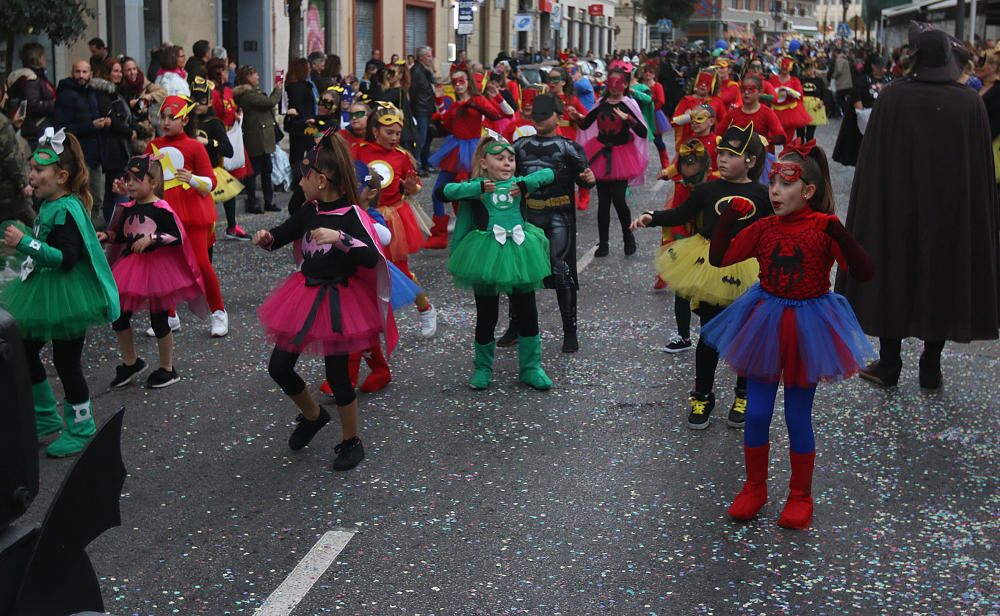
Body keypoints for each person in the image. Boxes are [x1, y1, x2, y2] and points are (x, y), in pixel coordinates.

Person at [702, 139, 874, 529]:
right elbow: (720, 258)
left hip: (808, 325)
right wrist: (728, 217)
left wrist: (841, 234)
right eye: (772, 183)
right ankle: (754, 487)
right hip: (764, 321)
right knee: (757, 413)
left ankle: (801, 496)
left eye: (785, 183)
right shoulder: (764, 228)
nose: (775, 191)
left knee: (798, 417)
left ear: (808, 191)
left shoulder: (824, 229)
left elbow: (864, 272)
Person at [836, 23, 999, 389]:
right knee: (941, 276)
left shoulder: (893, 98)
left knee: (894, 273)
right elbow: (978, 172)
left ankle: (890, 362)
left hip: (896, 209)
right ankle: (931, 363)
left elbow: (873, 164)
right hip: (952, 213)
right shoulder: (970, 103)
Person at [253, 131, 397, 471]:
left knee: (339, 376)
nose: (298, 181)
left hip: (338, 300)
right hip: (304, 295)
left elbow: (369, 256)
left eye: (303, 175)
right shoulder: (309, 210)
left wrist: (340, 238)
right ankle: (313, 415)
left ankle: (351, 440)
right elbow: (283, 235)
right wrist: (266, 237)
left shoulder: (351, 215)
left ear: (321, 178)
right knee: (279, 367)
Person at [629, 123, 773, 429]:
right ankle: (703, 395)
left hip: (747, 267)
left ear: (750, 160)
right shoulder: (708, 189)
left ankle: (744, 393)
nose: (720, 159)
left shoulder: (762, 195)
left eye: (730, 155)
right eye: (719, 153)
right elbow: (682, 214)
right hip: (711, 265)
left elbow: (774, 231)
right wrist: (652, 217)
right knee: (708, 336)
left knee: (746, 336)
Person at [1, 129, 120, 457]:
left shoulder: (66, 208)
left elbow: (65, 258)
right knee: (25, 350)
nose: (32, 175)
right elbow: (48, 241)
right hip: (44, 288)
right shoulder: (50, 203)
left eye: (39, 171)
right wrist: (27, 233)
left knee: (67, 362)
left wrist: (25, 242)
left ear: (61, 175)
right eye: (32, 169)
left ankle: (81, 427)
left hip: (67, 293)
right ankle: (46, 418)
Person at [442, 133, 555, 390]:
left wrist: (526, 185)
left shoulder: (519, 183)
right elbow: (446, 192)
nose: (507, 164)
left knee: (527, 311)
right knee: (487, 314)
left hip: (519, 253)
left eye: (511, 159)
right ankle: (482, 368)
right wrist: (477, 187)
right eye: (500, 159)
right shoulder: (477, 187)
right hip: (485, 254)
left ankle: (531, 367)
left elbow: (549, 175)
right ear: (484, 163)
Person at [99, 155, 208, 389]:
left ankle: (167, 368)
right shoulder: (127, 208)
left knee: (159, 321)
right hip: (130, 268)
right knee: (119, 317)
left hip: (158, 271)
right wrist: (107, 236)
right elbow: (121, 234)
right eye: (128, 179)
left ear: (153, 183)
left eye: (137, 180)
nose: (130, 184)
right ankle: (131, 362)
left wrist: (153, 238)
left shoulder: (162, 209)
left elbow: (177, 235)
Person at [497, 94, 595, 353]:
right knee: (519, 274)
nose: (540, 121)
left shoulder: (570, 148)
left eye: (546, 115)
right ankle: (515, 326)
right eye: (536, 116)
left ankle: (570, 331)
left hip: (558, 216)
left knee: (562, 271)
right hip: (527, 217)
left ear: (558, 116)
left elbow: (584, 181)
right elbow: (503, 172)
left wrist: (589, 178)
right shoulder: (519, 146)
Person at [352, 103, 438, 338]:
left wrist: (413, 187)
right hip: (365, 215)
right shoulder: (359, 150)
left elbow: (414, 186)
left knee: (399, 271)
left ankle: (426, 308)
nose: (394, 137)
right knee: (363, 270)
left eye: (398, 133)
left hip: (393, 218)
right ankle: (371, 321)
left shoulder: (402, 157)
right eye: (389, 132)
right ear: (376, 130)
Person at [147, 95, 229, 337]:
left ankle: (219, 312)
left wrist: (191, 179)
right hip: (164, 213)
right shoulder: (154, 146)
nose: (166, 121)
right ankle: (169, 315)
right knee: (164, 265)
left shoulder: (195, 147)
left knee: (201, 265)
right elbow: (145, 179)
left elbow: (211, 182)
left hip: (193, 213)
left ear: (184, 120)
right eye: (163, 117)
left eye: (171, 117)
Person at [426, 69, 512, 250]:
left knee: (469, 194)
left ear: (468, 81)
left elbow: (502, 115)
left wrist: (497, 97)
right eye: (455, 81)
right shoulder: (456, 105)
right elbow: (446, 125)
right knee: (438, 193)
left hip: (472, 151)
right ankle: (440, 235)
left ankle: (470, 231)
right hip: (454, 150)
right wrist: (439, 101)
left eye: (461, 80)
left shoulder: (477, 99)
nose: (458, 84)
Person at [571, 64, 648, 257]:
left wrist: (628, 118)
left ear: (625, 84)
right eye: (610, 82)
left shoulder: (628, 104)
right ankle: (603, 243)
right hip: (601, 155)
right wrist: (577, 117)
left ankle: (628, 237)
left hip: (622, 156)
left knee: (620, 200)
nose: (614, 86)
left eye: (618, 82)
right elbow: (586, 123)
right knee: (603, 202)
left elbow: (643, 132)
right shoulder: (601, 103)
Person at [653, 137, 716, 348]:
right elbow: (677, 216)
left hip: (712, 244)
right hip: (688, 244)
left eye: (694, 163)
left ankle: (716, 336)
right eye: (685, 163)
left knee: (712, 295)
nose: (689, 167)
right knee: (682, 292)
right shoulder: (681, 187)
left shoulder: (715, 182)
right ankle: (684, 335)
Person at [55, 61, 107, 224]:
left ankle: (91, 236)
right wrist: (91, 126)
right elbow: (63, 127)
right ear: (72, 73)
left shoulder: (91, 92)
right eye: (78, 72)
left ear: (90, 74)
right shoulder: (66, 95)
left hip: (95, 154)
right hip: (78, 155)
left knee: (97, 199)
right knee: (81, 198)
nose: (81, 76)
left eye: (85, 72)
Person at [91, 58, 135, 225]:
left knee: (113, 188)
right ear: (107, 73)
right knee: (119, 185)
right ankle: (119, 224)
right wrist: (129, 131)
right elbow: (112, 119)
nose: (118, 74)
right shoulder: (103, 93)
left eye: (119, 71)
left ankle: (113, 224)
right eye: (115, 71)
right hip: (113, 147)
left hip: (119, 145)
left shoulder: (117, 91)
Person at [233, 65, 282, 214]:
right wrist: (278, 90)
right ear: (247, 77)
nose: (258, 77)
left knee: (267, 170)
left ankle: (269, 201)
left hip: (263, 137)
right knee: (253, 172)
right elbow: (269, 102)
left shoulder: (253, 92)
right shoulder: (247, 94)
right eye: (254, 74)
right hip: (256, 137)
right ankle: (253, 202)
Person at [832, 56, 891, 167]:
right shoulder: (862, 81)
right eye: (881, 67)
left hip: (887, 121)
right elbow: (857, 102)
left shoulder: (890, 80)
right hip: (866, 121)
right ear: (873, 67)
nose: (884, 69)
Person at [8, 43, 57, 143]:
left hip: (40, 129)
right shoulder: (32, 79)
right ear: (37, 58)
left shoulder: (37, 78)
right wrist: (56, 104)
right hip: (37, 131)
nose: (45, 59)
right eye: (43, 56)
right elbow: (32, 104)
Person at [118, 56, 167, 154]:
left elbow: (162, 92)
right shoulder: (119, 88)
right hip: (131, 133)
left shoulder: (143, 82)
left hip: (147, 131)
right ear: (122, 72)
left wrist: (148, 97)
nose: (132, 73)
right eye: (128, 70)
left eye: (134, 69)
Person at [284, 58, 319, 186]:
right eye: (307, 67)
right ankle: (299, 181)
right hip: (303, 125)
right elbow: (298, 107)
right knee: (300, 155)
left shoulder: (302, 85)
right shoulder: (297, 87)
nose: (309, 70)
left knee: (303, 154)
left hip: (305, 124)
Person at [767, 57, 812, 144]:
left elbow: (800, 95)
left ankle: (785, 156)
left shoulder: (794, 80)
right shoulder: (773, 79)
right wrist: (776, 91)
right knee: (770, 138)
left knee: (788, 140)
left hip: (789, 113)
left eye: (786, 68)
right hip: (774, 111)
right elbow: (768, 91)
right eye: (783, 67)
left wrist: (789, 91)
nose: (784, 70)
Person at [375, 60, 416, 152]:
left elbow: (378, 102)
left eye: (392, 73)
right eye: (388, 73)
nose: (389, 76)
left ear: (400, 76)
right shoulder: (397, 91)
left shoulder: (397, 92)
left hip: (402, 135)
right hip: (398, 133)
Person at [409, 46, 437, 174]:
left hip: (427, 109)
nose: (431, 59)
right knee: (420, 139)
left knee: (428, 138)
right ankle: (417, 165)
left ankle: (425, 163)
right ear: (421, 57)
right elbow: (413, 91)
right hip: (421, 109)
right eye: (428, 56)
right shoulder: (416, 71)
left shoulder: (425, 71)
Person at [798, 61, 828, 141]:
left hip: (814, 107)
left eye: (811, 69)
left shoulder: (819, 81)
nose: (809, 71)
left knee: (810, 133)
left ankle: (809, 150)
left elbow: (824, 93)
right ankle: (800, 150)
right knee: (800, 132)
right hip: (802, 107)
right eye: (807, 69)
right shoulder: (801, 80)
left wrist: (822, 101)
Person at [830, 49, 854, 118]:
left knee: (839, 98)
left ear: (835, 52)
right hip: (848, 82)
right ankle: (847, 112)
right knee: (844, 98)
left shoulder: (839, 60)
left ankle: (846, 112)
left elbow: (839, 71)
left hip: (842, 83)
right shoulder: (845, 59)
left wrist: (834, 76)